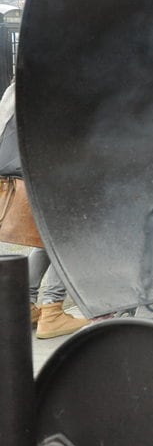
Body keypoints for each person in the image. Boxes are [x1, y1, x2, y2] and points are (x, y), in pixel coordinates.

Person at [0, 81, 89, 339]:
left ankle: (26, 305)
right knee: (67, 241)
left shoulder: (19, 85)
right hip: (47, 175)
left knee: (47, 240)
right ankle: (52, 311)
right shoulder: (51, 82)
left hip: (22, 174)